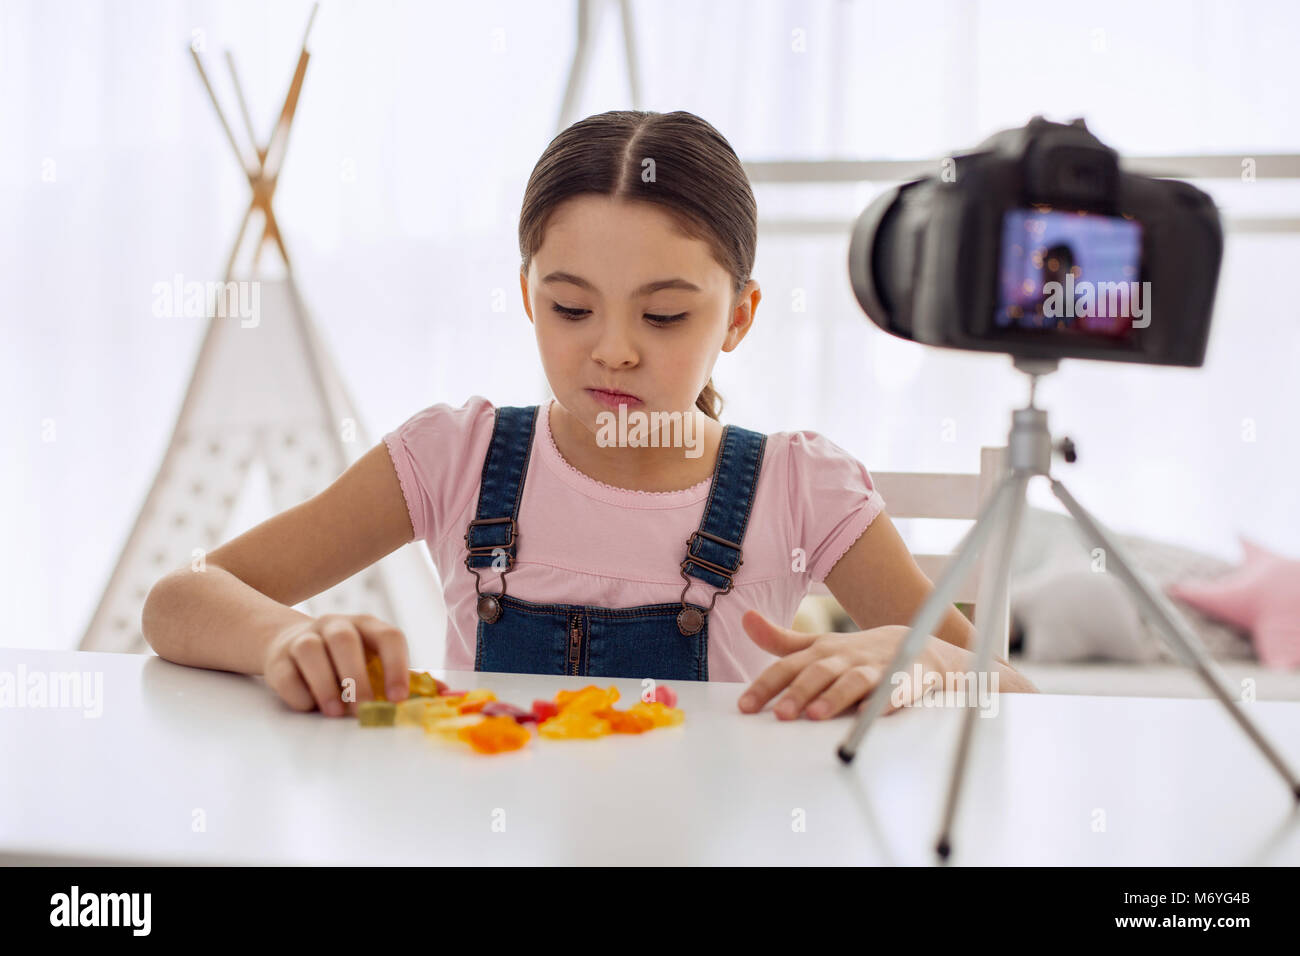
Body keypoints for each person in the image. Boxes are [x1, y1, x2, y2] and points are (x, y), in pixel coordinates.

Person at [143, 110, 1036, 723]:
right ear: (528, 298)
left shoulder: (798, 488)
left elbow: (1010, 696)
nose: (614, 349)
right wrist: (290, 638)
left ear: (739, 317)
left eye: (662, 316)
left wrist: (920, 662)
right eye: (572, 309)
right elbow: (180, 599)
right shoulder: (457, 456)